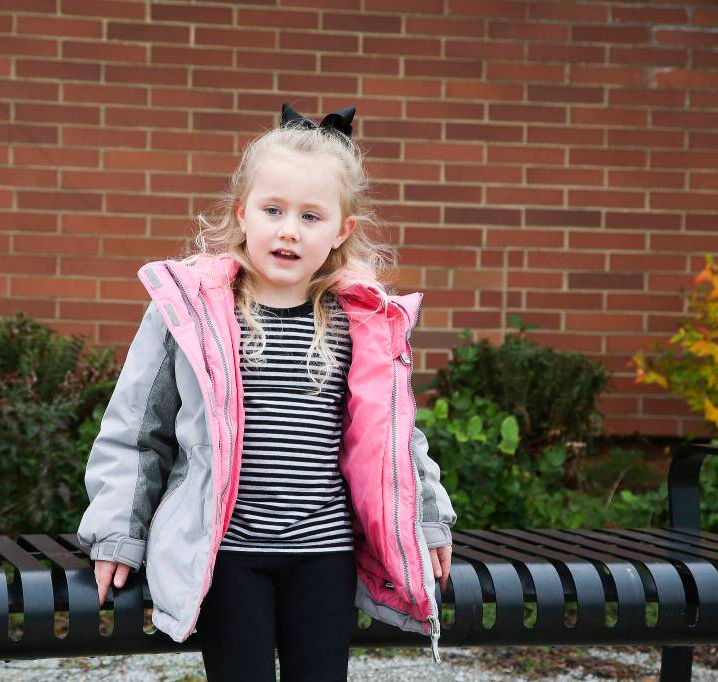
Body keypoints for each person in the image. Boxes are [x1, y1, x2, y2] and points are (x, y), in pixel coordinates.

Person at [77, 102, 457, 682]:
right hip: (229, 556)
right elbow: (135, 431)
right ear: (242, 213)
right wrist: (117, 534)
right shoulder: (193, 313)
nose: (288, 229)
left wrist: (427, 520)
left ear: (340, 231)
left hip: (324, 556)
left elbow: (396, 436)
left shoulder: (361, 321)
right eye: (273, 209)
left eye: (311, 216)